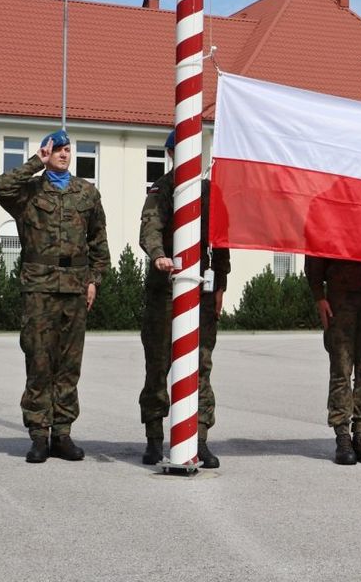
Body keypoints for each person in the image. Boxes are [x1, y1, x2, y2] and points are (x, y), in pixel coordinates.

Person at [0, 130, 110, 463]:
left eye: (67, 149)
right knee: (39, 361)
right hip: (39, 287)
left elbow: (99, 243)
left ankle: (63, 434)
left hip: (74, 286)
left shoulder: (86, 193)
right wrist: (34, 163)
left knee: (69, 365)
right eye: (56, 149)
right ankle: (39, 435)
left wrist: (94, 281)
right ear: (47, 152)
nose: (62, 154)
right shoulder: (28, 192)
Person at [138, 130, 230, 468]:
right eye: (180, 150)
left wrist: (220, 286)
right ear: (173, 154)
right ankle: (154, 438)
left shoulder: (209, 192)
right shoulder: (163, 189)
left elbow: (221, 243)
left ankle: (199, 438)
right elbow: (149, 228)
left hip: (200, 291)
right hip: (165, 290)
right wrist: (159, 255)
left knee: (200, 366)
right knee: (158, 365)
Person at [305, 256, 361, 465]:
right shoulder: (329, 221)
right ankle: (342, 436)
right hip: (341, 295)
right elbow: (314, 249)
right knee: (341, 371)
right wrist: (318, 296)